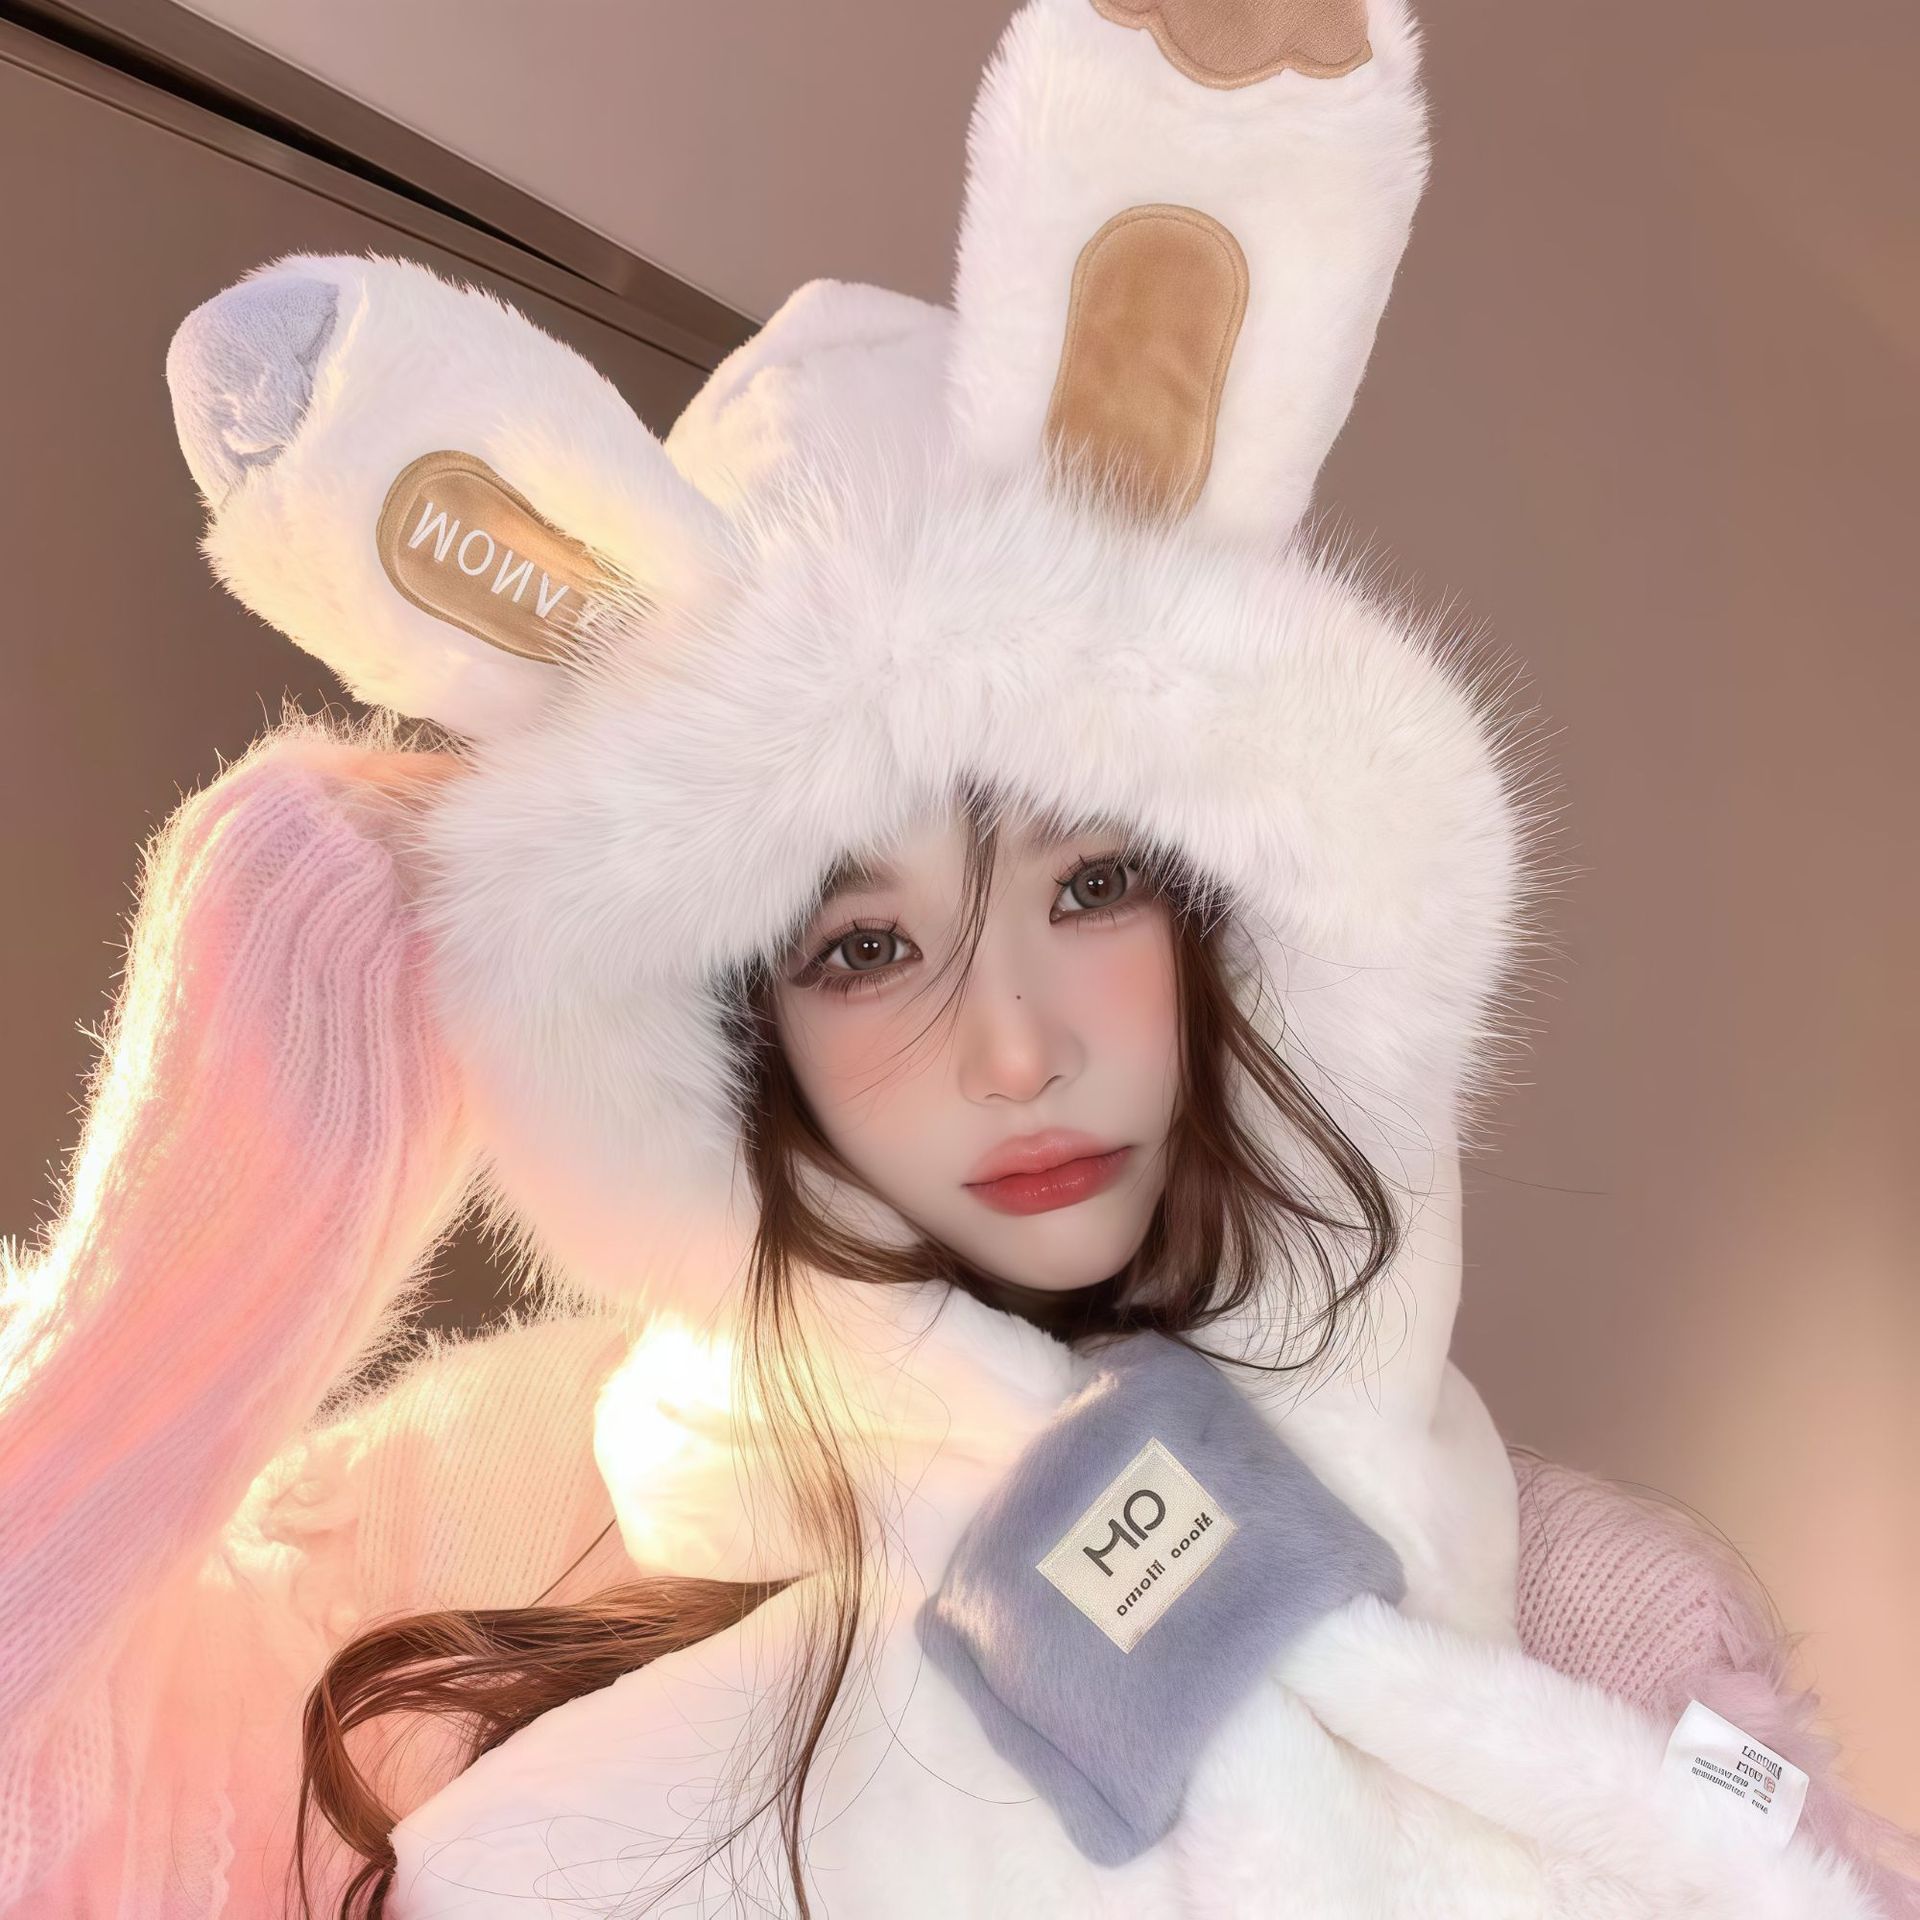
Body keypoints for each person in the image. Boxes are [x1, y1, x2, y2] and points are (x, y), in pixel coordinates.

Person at [4, 0, 1917, 1914]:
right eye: (864, 945)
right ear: (730, 1036)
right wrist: (194, 1240)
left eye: (1093, 888)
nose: (1012, 1049)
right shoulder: (497, 1495)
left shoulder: (1579, 1602)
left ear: (1244, 905)